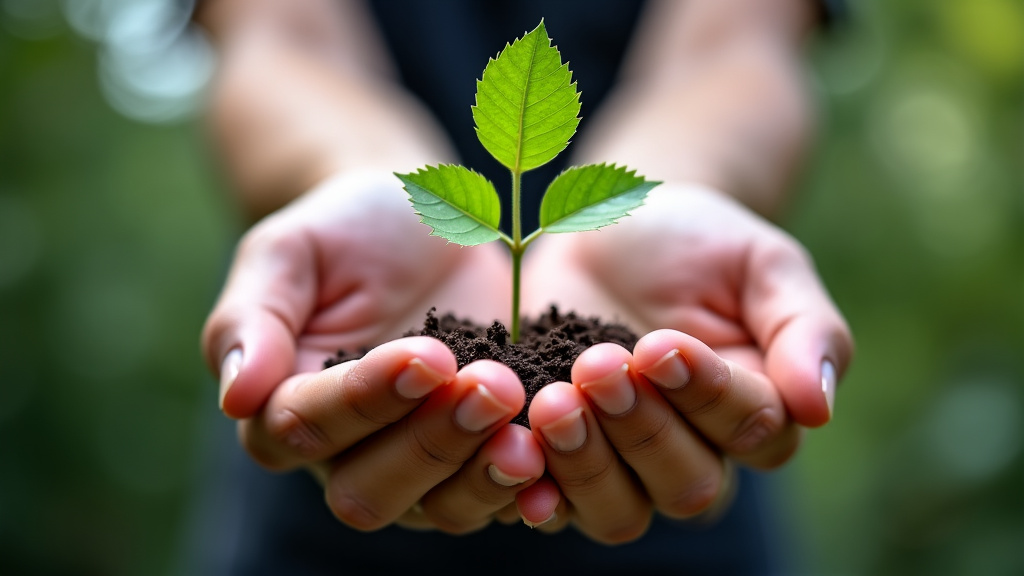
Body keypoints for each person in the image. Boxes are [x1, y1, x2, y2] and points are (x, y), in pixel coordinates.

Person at [190, 0, 853, 573]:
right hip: (326, 505)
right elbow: (277, 35)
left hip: (670, 486)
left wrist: (678, 181)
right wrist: (352, 171)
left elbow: (737, 44)